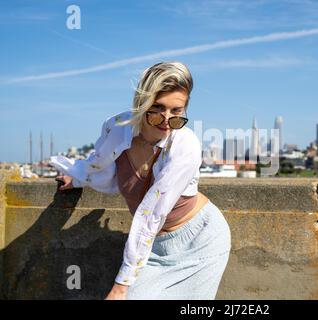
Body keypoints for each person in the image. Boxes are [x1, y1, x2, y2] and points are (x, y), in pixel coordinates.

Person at [50, 61, 231, 300]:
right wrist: (77, 178)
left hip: (199, 241)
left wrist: (121, 285)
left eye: (176, 112)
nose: (167, 120)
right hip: (153, 244)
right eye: (157, 108)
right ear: (141, 103)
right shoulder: (116, 128)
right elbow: (99, 163)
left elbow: (152, 212)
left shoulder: (185, 145)